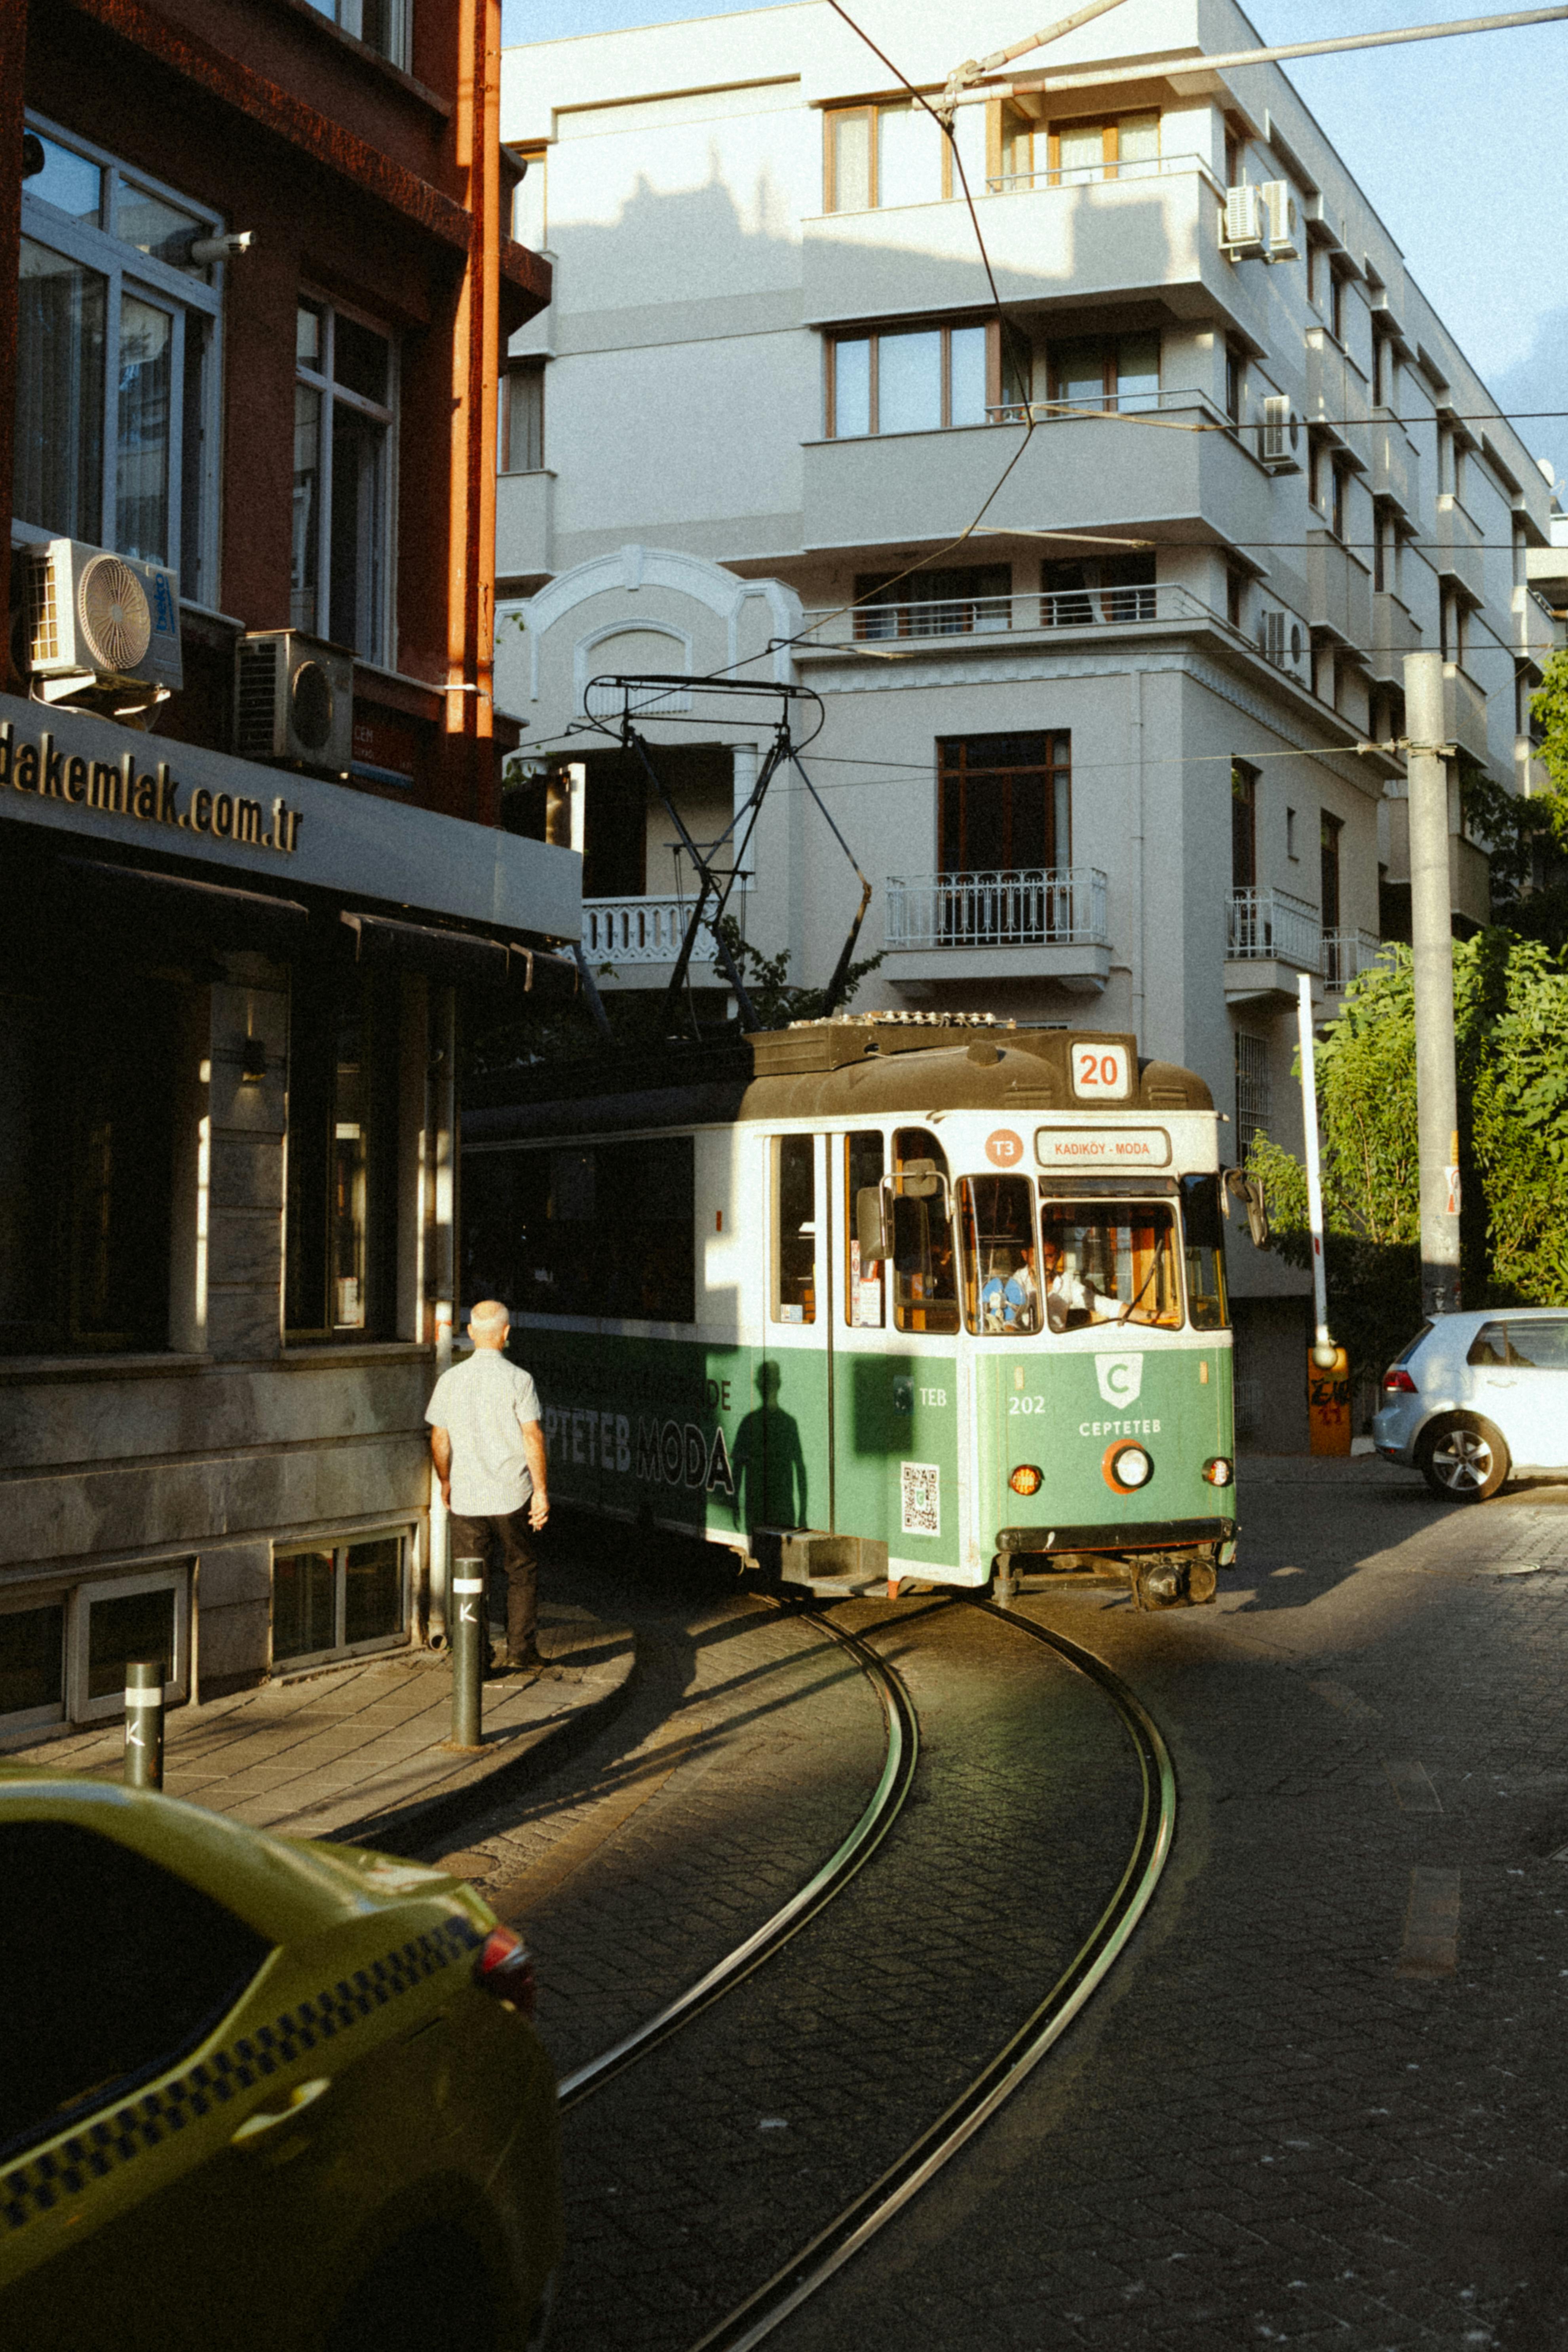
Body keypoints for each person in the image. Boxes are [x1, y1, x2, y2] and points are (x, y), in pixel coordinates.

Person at [426, 1300, 549, 1673]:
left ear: (470, 1333)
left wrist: (446, 1481)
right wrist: (541, 1491)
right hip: (513, 1495)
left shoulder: (450, 1380)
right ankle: (521, 1651)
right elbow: (533, 1438)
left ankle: (474, 1659)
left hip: (467, 1496)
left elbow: (439, 1439)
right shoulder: (519, 1379)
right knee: (521, 1569)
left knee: (470, 1579)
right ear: (506, 1334)